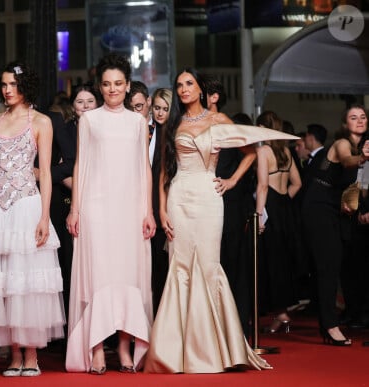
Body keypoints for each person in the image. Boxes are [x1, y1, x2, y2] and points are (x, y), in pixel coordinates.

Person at [144, 68, 296, 374]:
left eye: (189, 84)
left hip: (209, 196)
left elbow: (252, 151)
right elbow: (162, 171)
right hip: (178, 196)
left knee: (209, 266)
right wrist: (161, 210)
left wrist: (231, 181)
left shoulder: (219, 120)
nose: (184, 89)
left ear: (200, 89)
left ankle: (215, 348)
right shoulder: (174, 123)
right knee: (180, 266)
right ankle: (176, 352)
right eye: (179, 85)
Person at [0, 61, 65, 377]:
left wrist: (44, 216)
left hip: (27, 205)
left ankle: (31, 354)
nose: (7, 90)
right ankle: (13, 354)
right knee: (4, 285)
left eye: (13, 84)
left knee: (27, 283)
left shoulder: (41, 122)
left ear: (25, 86)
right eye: (4, 84)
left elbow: (47, 174)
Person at [65, 53, 155, 374]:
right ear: (100, 87)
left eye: (119, 84)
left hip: (130, 208)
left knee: (128, 277)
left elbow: (144, 167)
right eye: (107, 84)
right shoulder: (89, 120)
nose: (113, 89)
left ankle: (125, 347)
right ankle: (97, 349)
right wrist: (75, 209)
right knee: (100, 278)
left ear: (128, 86)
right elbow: (80, 165)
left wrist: (149, 211)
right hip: (97, 207)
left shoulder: (138, 121)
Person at [302, 104, 369, 346]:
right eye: (353, 117)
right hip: (318, 205)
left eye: (363, 117)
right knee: (328, 265)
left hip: (334, 208)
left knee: (333, 263)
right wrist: (362, 158)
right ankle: (330, 326)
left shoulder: (362, 149)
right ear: (345, 123)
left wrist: (357, 207)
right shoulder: (343, 143)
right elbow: (348, 161)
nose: (359, 120)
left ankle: (328, 323)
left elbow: (358, 188)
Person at [207, 76, 256, 336]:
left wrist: (233, 181)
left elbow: (251, 152)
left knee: (231, 264)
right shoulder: (193, 123)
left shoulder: (225, 123)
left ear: (214, 97)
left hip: (230, 203)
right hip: (202, 203)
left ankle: (237, 328)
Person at [254, 111, 302, 334]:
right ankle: (281, 315)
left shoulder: (263, 151)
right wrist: (282, 201)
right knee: (282, 262)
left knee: (271, 263)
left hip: (270, 207)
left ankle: (280, 314)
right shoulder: (286, 151)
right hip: (284, 208)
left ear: (264, 128)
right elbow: (297, 183)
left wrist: (259, 214)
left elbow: (262, 186)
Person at [55, 84, 99, 320]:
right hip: (72, 205)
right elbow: (62, 169)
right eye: (80, 102)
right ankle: (75, 323)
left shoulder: (105, 128)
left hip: (104, 204)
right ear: (73, 107)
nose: (85, 106)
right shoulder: (65, 131)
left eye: (90, 101)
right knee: (73, 265)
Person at [148, 87, 172, 316]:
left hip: (167, 202)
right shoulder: (149, 131)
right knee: (153, 265)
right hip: (150, 201)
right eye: (157, 108)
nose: (160, 113)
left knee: (165, 263)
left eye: (165, 109)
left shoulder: (173, 135)